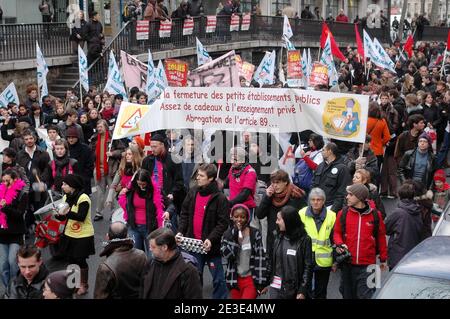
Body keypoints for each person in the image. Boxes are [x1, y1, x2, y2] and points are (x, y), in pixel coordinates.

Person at [177, 163, 229, 299]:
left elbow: (223, 223)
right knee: (195, 278)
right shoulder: (193, 192)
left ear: (211, 178)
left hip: (212, 246)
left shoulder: (220, 198)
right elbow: (184, 214)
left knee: (218, 280)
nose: (197, 178)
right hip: (193, 245)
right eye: (197, 175)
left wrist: (211, 239)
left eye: (201, 176)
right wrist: (180, 231)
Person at [333, 184, 388, 299]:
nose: (347, 197)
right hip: (347, 264)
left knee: (369, 296)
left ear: (360, 197)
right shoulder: (342, 213)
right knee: (347, 294)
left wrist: (383, 259)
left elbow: (381, 237)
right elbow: (337, 232)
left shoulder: (376, 215)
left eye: (350, 194)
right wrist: (339, 243)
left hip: (371, 265)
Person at [261, 205, 312, 299]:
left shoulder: (304, 240)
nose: (276, 222)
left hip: (294, 289)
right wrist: (265, 282)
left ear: (289, 221)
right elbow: (270, 261)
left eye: (279, 219)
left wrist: (302, 290)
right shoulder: (277, 237)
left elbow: (308, 267)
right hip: (276, 286)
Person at [56, 174, 95, 296]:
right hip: (69, 232)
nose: (62, 186)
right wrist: (58, 215)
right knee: (71, 259)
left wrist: (66, 213)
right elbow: (63, 215)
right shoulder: (66, 197)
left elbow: (81, 217)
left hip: (83, 234)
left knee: (80, 260)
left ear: (72, 186)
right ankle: (73, 284)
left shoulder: (83, 198)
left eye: (65, 184)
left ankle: (83, 284)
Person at [221, 204, 268, 299]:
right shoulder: (227, 234)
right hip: (234, 279)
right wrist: (235, 241)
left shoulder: (255, 233)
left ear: (247, 218)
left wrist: (262, 283)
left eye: (242, 217)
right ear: (232, 217)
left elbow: (260, 258)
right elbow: (227, 255)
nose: (239, 220)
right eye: (236, 217)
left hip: (251, 279)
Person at [256, 169, 305, 258]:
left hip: (291, 240)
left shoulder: (295, 195)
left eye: (278, 182)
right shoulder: (270, 195)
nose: (275, 185)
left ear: (285, 182)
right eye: (273, 183)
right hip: (273, 240)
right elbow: (260, 215)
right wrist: (266, 197)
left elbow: (302, 220)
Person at [141, 228, 203, 299]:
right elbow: (143, 290)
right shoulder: (150, 263)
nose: (150, 249)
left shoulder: (188, 270)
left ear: (164, 247)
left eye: (153, 247)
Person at [298, 188, 336, 299]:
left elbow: (335, 239)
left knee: (321, 292)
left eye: (319, 200)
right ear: (309, 201)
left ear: (324, 201)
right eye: (313, 199)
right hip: (306, 258)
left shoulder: (332, 216)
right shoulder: (301, 213)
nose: (315, 202)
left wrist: (335, 261)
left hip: (324, 260)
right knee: (306, 291)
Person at [142, 133, 184, 230]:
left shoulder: (174, 160)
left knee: (169, 231)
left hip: (167, 200)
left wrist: (173, 193)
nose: (152, 149)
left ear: (162, 145)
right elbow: (142, 178)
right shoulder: (147, 161)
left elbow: (179, 182)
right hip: (151, 199)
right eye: (151, 146)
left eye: (155, 146)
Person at [94, 222, 147, 299]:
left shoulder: (105, 267)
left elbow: (100, 296)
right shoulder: (142, 255)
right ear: (127, 236)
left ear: (107, 237)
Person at [118, 169, 164, 256]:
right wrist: (122, 194)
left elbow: (169, 204)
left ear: (148, 182)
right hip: (134, 227)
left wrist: (168, 212)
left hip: (150, 228)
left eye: (143, 184)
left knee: (152, 257)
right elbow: (124, 203)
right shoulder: (131, 190)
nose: (141, 186)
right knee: (136, 256)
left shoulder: (154, 191)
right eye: (139, 184)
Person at [90, 120, 127, 221]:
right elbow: (91, 153)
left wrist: (113, 153)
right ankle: (98, 212)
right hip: (98, 169)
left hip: (111, 169)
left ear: (106, 127)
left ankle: (114, 212)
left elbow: (123, 151)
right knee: (100, 192)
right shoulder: (94, 138)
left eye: (101, 126)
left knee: (113, 191)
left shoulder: (113, 138)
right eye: (98, 126)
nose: (99, 128)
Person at [16, 129, 51, 228]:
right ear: (23, 141)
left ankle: (40, 230)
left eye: (31, 138)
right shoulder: (19, 155)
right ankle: (26, 230)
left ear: (35, 139)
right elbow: (18, 172)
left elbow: (47, 170)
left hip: (38, 187)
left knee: (39, 209)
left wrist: (42, 181)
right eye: (26, 139)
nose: (29, 141)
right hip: (25, 188)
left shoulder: (43, 153)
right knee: (26, 210)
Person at [385, 181, 424, 269]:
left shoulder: (398, 212)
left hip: (398, 253)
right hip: (412, 252)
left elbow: (386, 228)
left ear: (400, 195)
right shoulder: (418, 210)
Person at [0, 169, 28, 288]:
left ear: (15, 179)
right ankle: (8, 289)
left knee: (13, 262)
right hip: (1, 234)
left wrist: (5, 207)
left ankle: (16, 287)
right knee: (3, 266)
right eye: (3, 181)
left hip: (15, 233)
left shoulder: (22, 194)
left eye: (8, 181)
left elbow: (19, 214)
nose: (5, 183)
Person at [311, 142, 352, 213]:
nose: (321, 152)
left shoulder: (342, 168)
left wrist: (333, 210)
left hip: (330, 207)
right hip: (316, 206)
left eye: (323, 150)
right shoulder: (320, 166)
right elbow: (313, 184)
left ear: (330, 151)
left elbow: (342, 192)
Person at [67, 126, 94, 195]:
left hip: (83, 182)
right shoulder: (66, 148)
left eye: (73, 137)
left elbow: (90, 166)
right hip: (69, 182)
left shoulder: (85, 149)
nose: (71, 139)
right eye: (69, 137)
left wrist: (84, 178)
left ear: (77, 138)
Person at [367, 102, 391, 169]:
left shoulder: (364, 120)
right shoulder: (382, 121)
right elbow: (387, 137)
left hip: (365, 149)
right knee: (376, 172)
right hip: (378, 151)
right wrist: (380, 142)